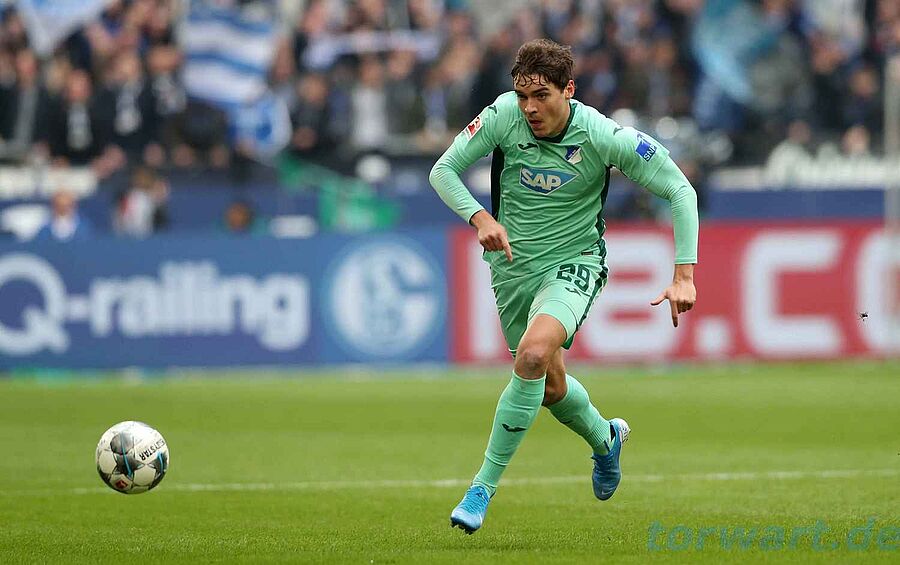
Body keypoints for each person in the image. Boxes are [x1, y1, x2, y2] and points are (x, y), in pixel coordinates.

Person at [429, 39, 699, 534]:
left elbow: (680, 189)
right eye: (522, 95)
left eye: (542, 96)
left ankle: (481, 488)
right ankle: (605, 440)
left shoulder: (601, 135)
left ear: (568, 90)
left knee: (532, 356)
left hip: (574, 263)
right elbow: (442, 170)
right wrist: (480, 217)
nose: (530, 108)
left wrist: (684, 275)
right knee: (549, 386)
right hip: (512, 269)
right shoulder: (502, 116)